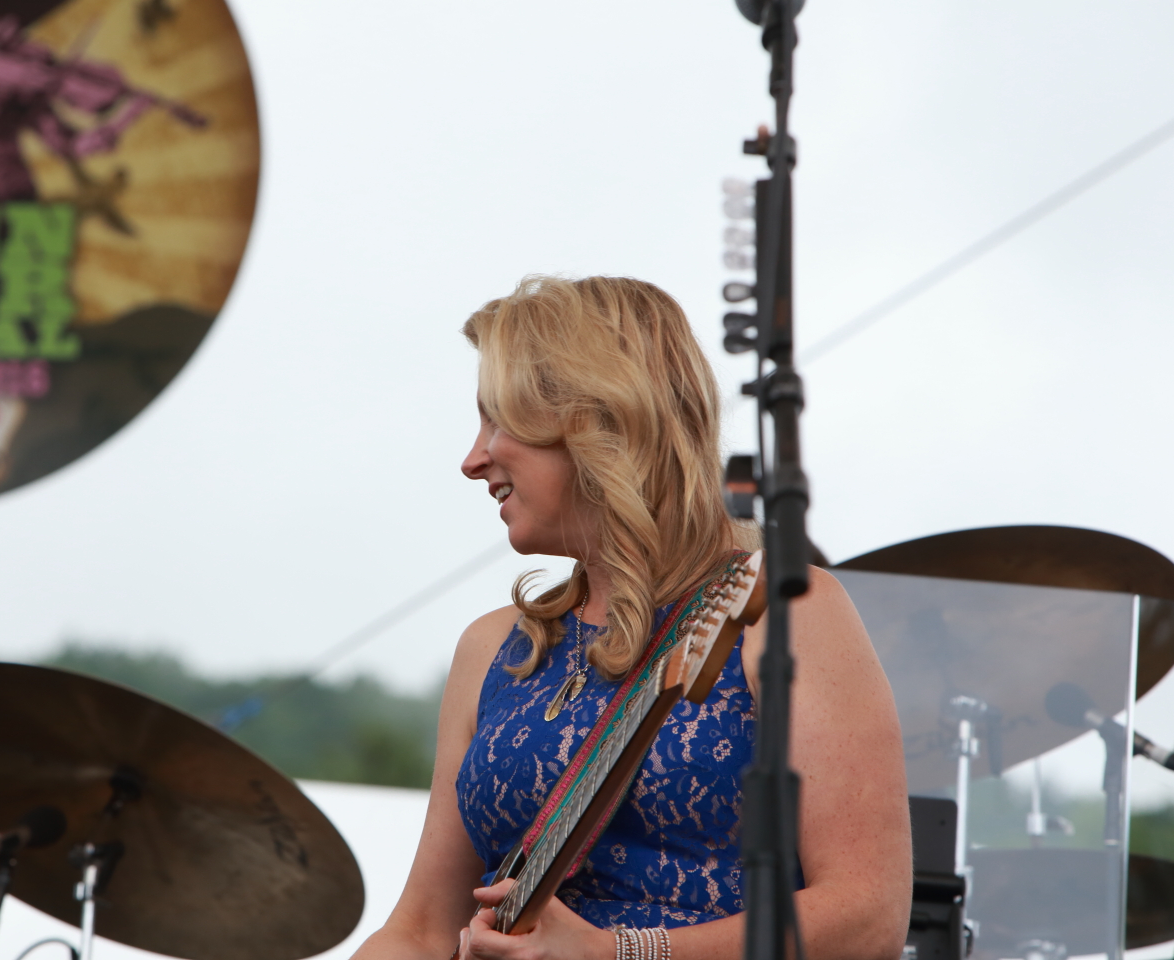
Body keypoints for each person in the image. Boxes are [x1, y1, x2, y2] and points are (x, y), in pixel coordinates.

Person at [352, 276, 911, 960]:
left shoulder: (783, 610)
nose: (473, 460)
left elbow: (868, 918)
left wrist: (621, 952)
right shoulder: (495, 647)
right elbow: (419, 931)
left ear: (598, 420)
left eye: (497, 420)